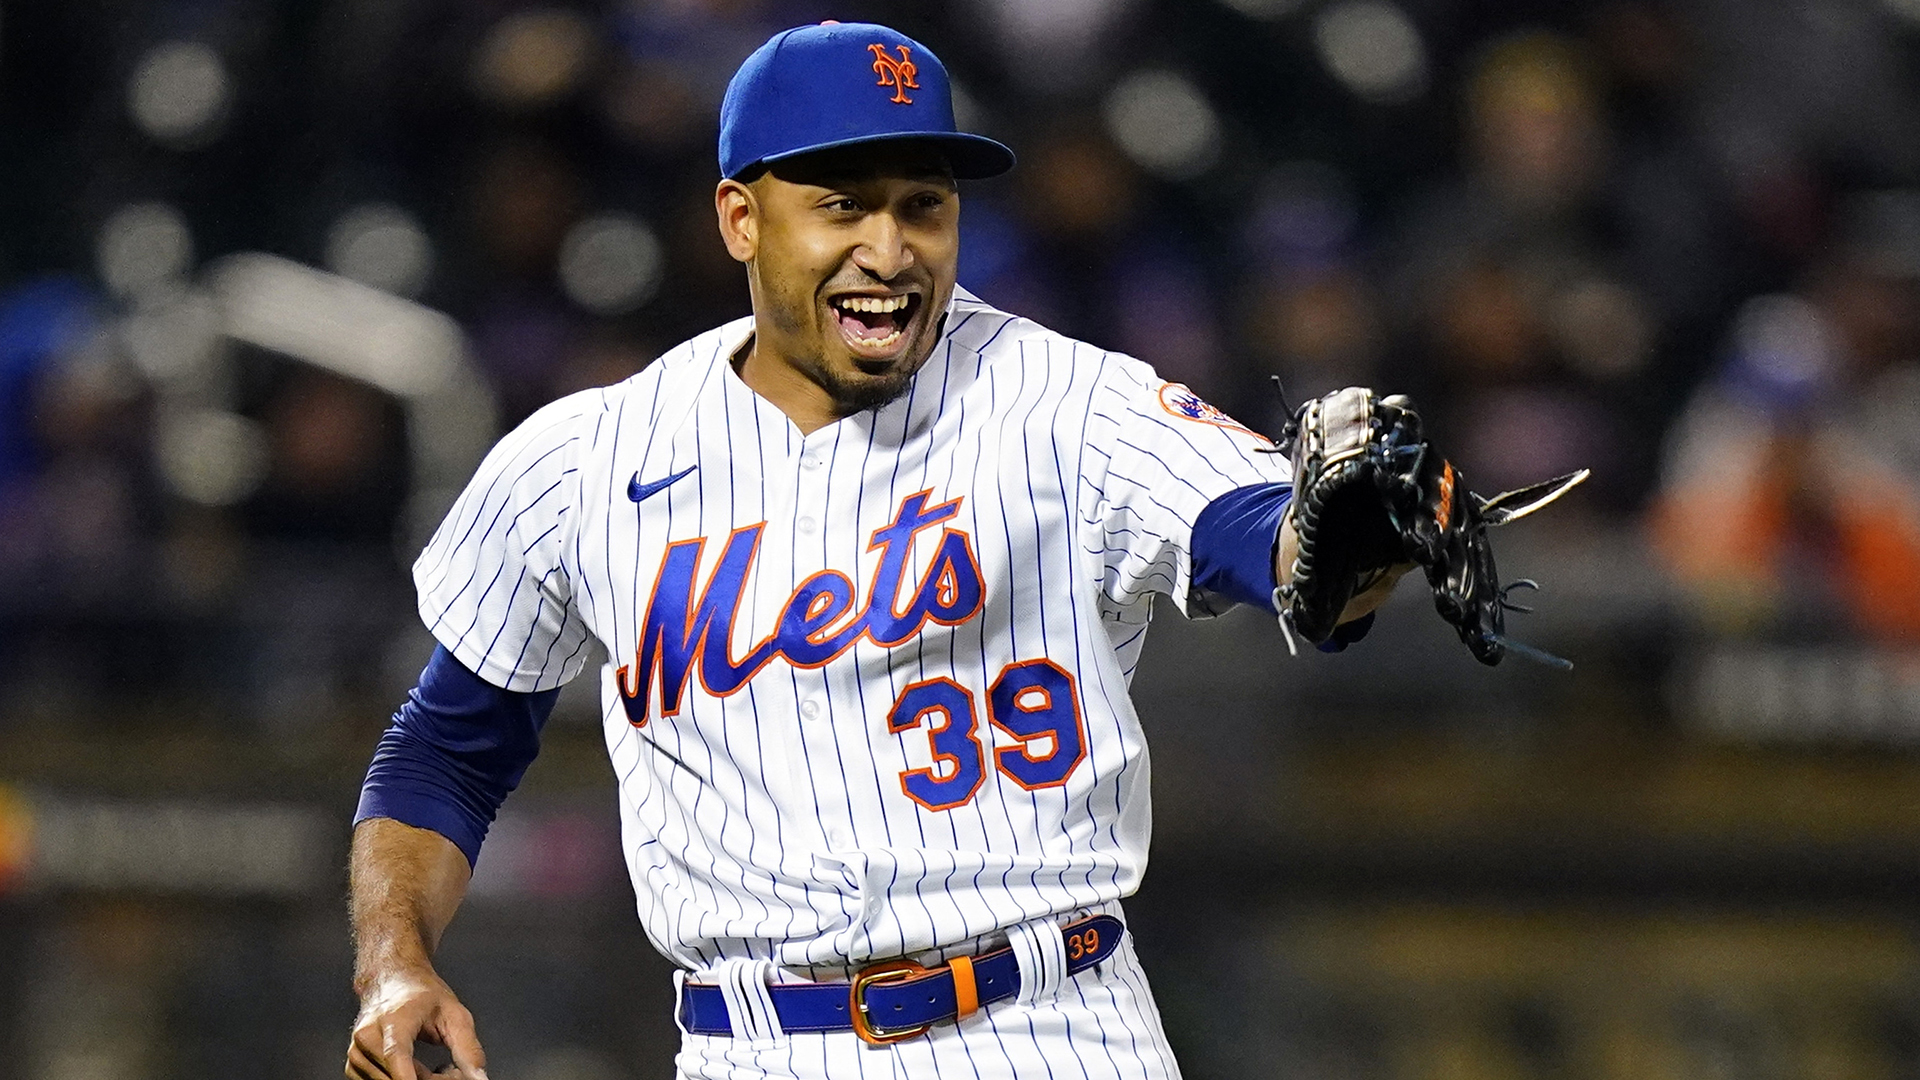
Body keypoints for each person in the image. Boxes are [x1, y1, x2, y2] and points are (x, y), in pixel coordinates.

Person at [345, 21, 1397, 1080]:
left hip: (1045, 1026)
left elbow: (1276, 547)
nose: (889, 251)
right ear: (740, 219)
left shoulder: (1070, 403)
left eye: (923, 205)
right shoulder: (588, 459)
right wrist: (395, 961)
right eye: (843, 204)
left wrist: (1345, 540)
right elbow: (446, 755)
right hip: (747, 1046)